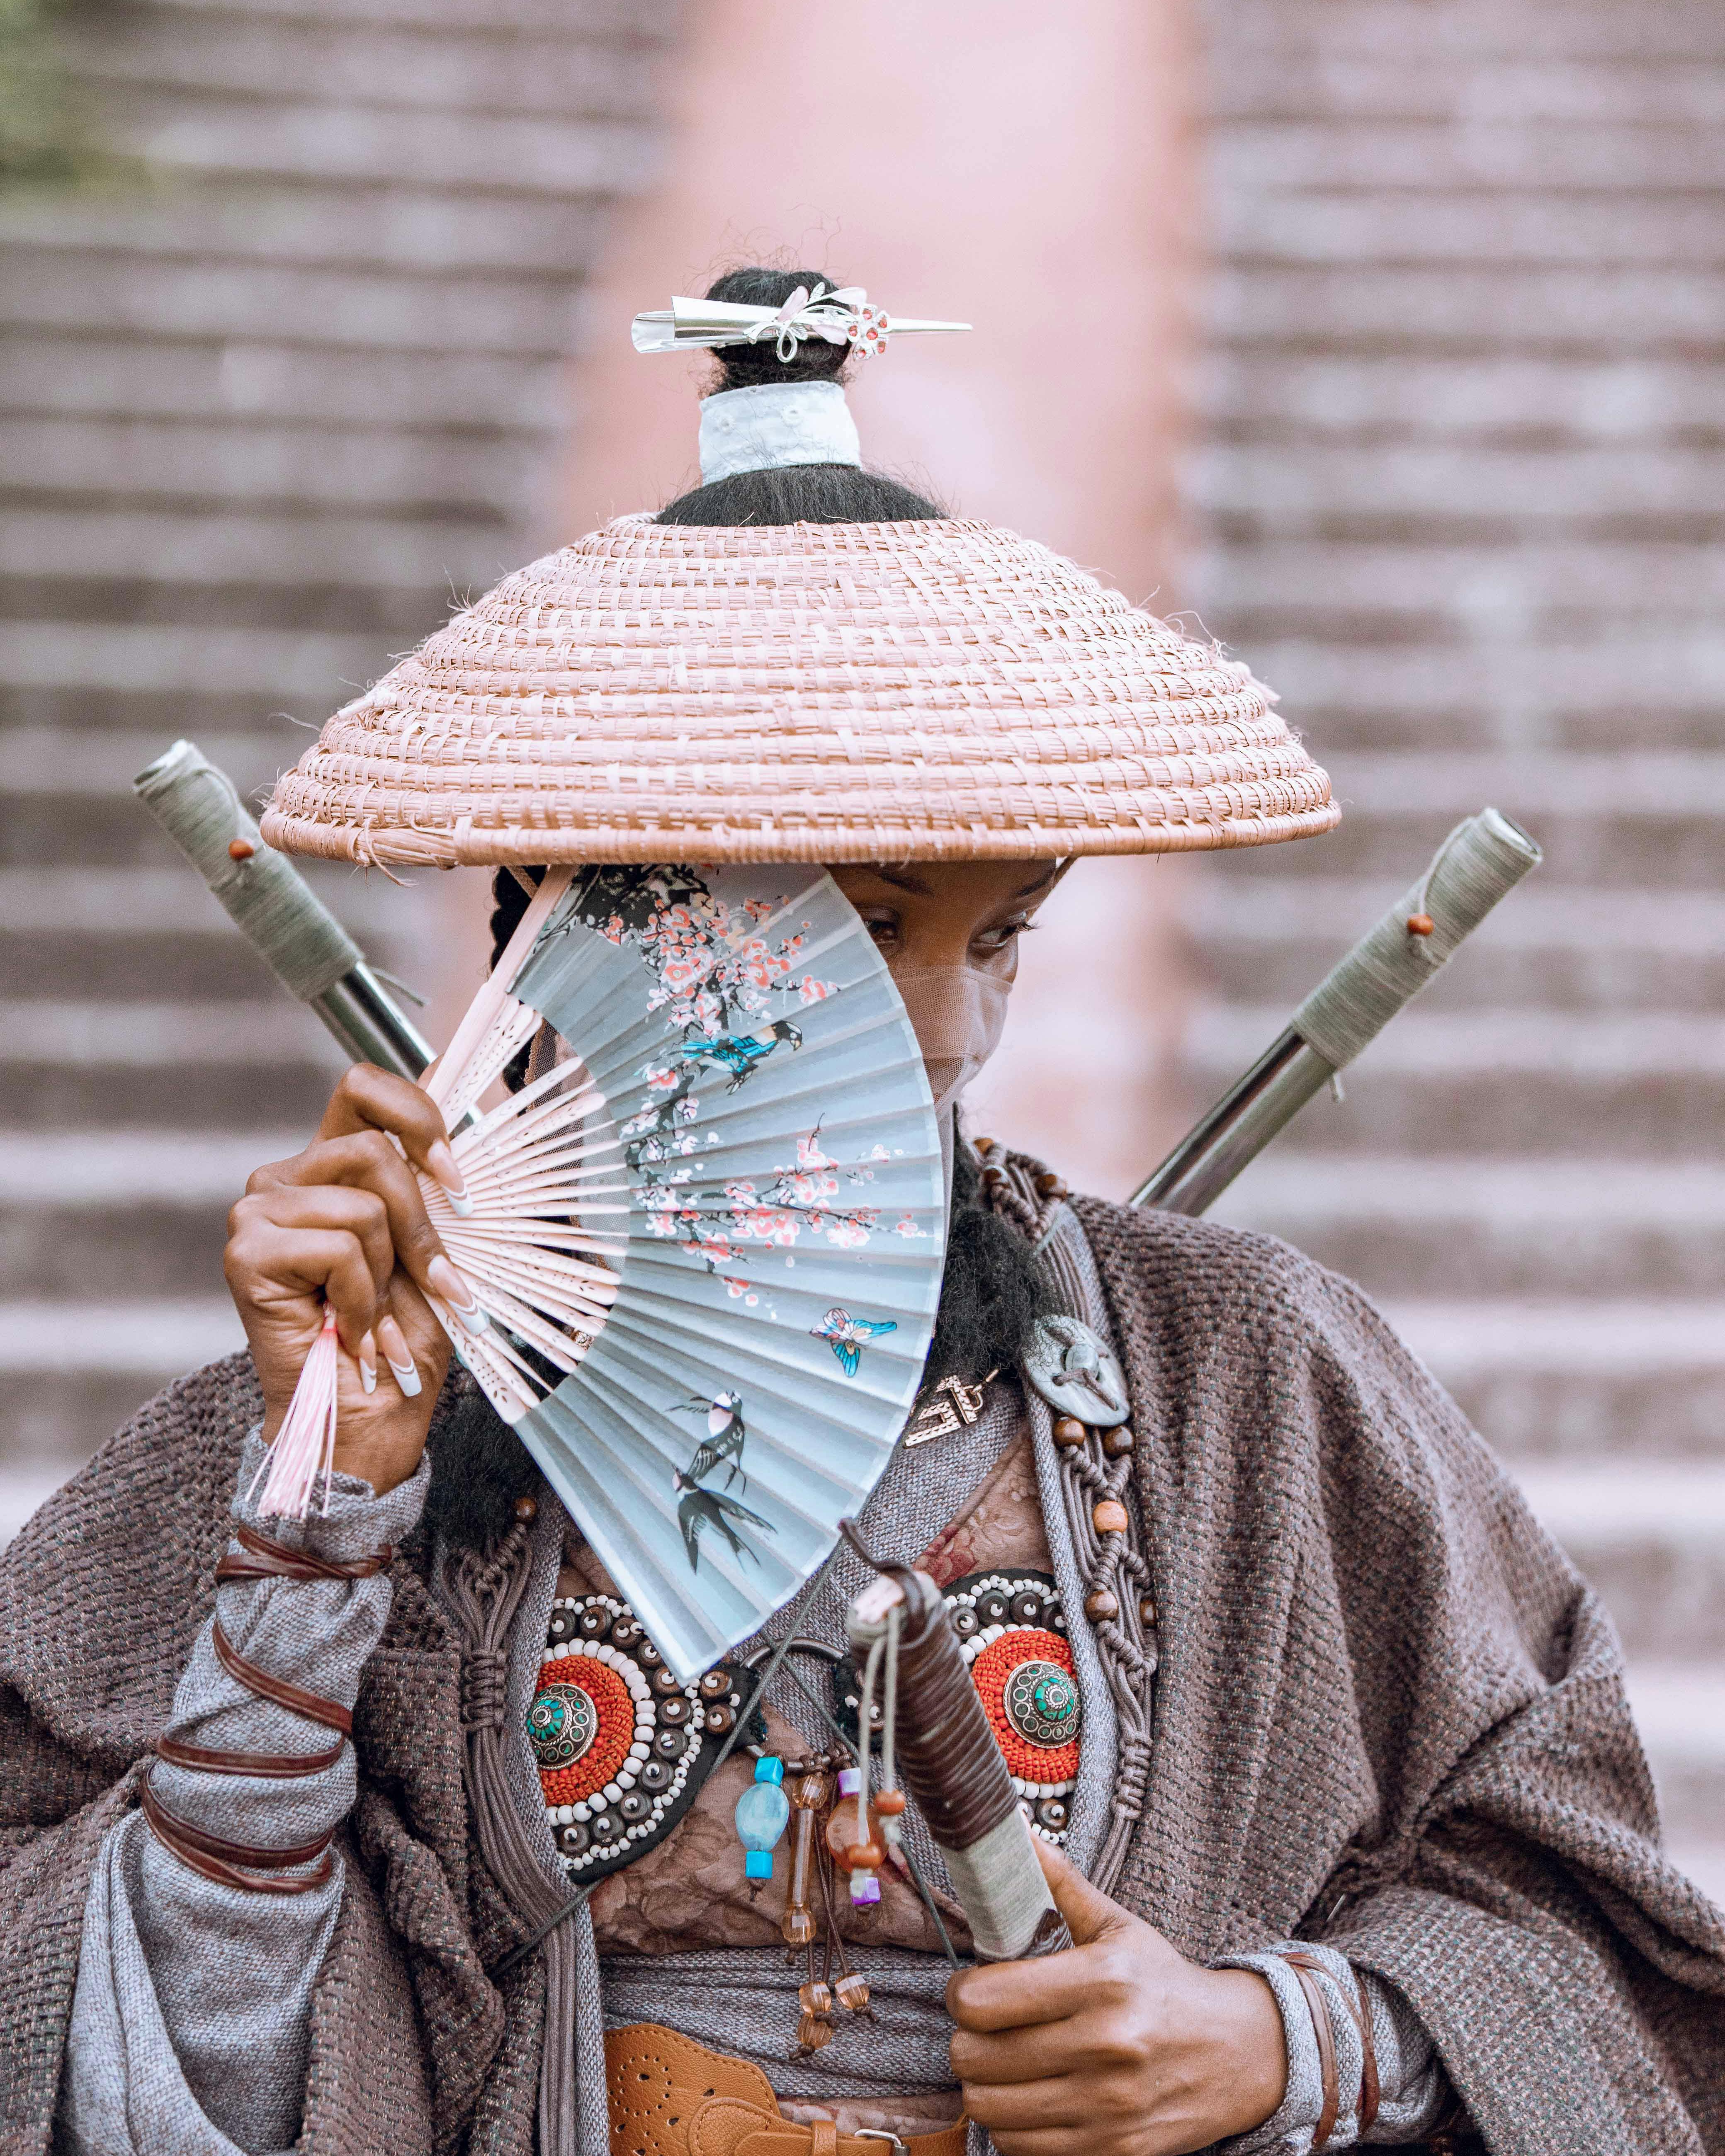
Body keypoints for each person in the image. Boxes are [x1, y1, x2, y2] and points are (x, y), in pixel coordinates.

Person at [3, 267, 1722, 2156]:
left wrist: (1272, 2041)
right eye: (863, 920)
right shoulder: (360, 1393)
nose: (944, 1028)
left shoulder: (1243, 1375)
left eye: (996, 936)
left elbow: (1592, 1928)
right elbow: (184, 2071)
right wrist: (320, 1506)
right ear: (598, 923)